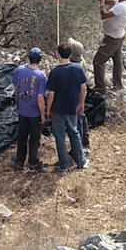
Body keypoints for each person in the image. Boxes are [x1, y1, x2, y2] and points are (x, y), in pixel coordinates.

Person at [46, 42, 88, 172]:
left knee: (59, 137)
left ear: (58, 54)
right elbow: (83, 89)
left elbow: (51, 94)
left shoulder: (55, 72)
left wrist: (48, 109)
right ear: (71, 54)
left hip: (58, 109)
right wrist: (81, 103)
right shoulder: (78, 68)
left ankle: (64, 165)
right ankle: (81, 161)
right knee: (74, 133)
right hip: (72, 107)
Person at [11, 48, 48, 171]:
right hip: (34, 112)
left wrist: (19, 103)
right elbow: (40, 98)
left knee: (22, 135)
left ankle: (19, 161)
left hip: (22, 109)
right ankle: (33, 162)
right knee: (34, 137)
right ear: (40, 60)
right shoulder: (41, 76)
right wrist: (43, 114)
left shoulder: (19, 70)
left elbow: (16, 89)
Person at [92, 0, 126, 91]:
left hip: (112, 38)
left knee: (98, 61)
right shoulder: (122, 2)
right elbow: (108, 0)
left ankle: (100, 88)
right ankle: (117, 85)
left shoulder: (122, 7)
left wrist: (101, 4)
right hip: (118, 36)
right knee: (117, 60)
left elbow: (104, 15)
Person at [66, 37, 91, 149]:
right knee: (82, 116)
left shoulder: (74, 68)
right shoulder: (82, 62)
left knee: (78, 120)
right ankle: (85, 141)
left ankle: (80, 146)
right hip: (81, 93)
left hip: (75, 95)